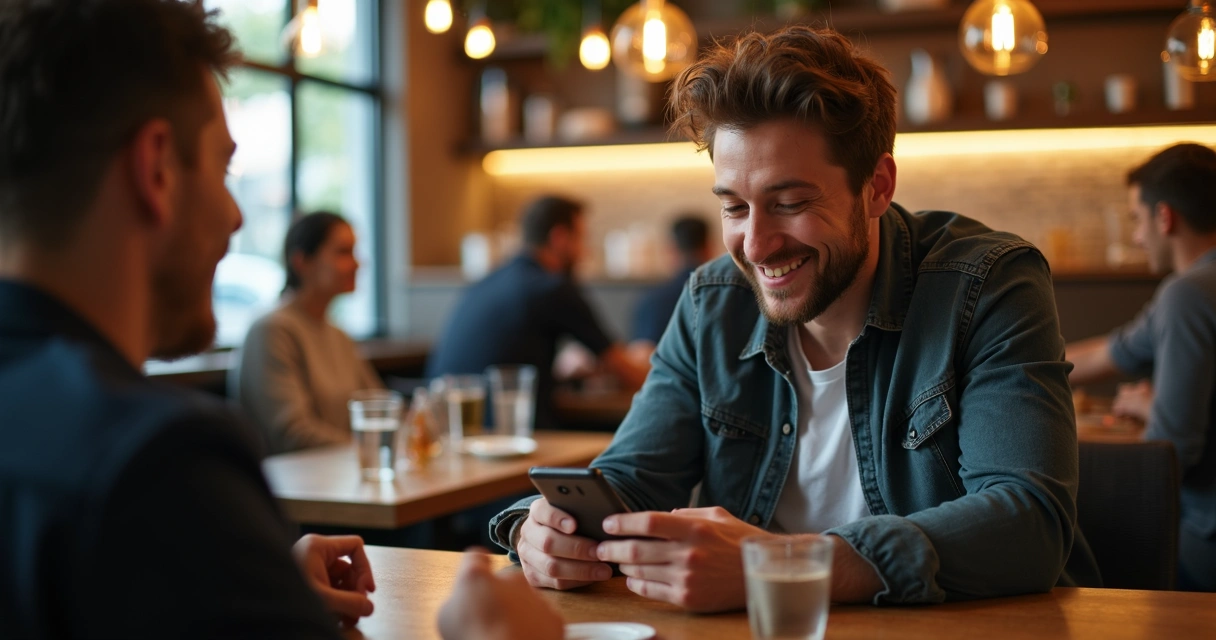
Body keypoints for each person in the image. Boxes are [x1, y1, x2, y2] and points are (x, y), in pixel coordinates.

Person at [489, 25, 1100, 610]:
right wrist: (539, 533)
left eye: (790, 204)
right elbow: (630, 478)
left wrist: (777, 567)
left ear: (877, 186)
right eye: (734, 207)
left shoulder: (989, 283)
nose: (755, 246)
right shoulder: (712, 300)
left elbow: (1028, 520)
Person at [0, 1, 374, 636]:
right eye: (224, 168)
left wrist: (242, 569)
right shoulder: (157, 466)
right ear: (157, 168)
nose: (235, 217)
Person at [1066, 143, 1216, 592]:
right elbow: (1109, 352)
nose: (1136, 237)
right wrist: (1004, 361)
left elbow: (1173, 451)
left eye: (1136, 219)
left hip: (1205, 544)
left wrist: (1156, 410)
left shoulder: (1187, 295)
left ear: (1165, 217)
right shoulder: (1190, 292)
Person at [426, 195, 648, 431]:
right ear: (560, 237)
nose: (586, 252)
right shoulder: (552, 287)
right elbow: (626, 371)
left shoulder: (488, 281)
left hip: (446, 430)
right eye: (582, 239)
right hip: (508, 436)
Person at [232, 211, 382, 454]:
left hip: (340, 479)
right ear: (301, 262)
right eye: (344, 253)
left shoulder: (338, 335)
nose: (357, 264)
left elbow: (379, 405)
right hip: (295, 487)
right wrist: (371, 450)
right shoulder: (272, 331)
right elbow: (292, 434)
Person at [630, 215, 714, 349]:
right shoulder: (728, 297)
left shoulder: (652, 302)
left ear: (671, 250)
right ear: (709, 247)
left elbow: (643, 355)